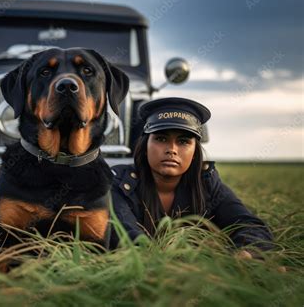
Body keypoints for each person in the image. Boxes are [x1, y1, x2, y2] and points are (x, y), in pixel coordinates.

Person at [110, 97, 273, 254]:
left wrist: (247, 253)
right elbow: (124, 233)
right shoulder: (121, 183)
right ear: (145, 146)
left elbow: (250, 225)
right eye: (161, 138)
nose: (172, 149)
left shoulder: (207, 184)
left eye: (183, 141)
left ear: (195, 151)